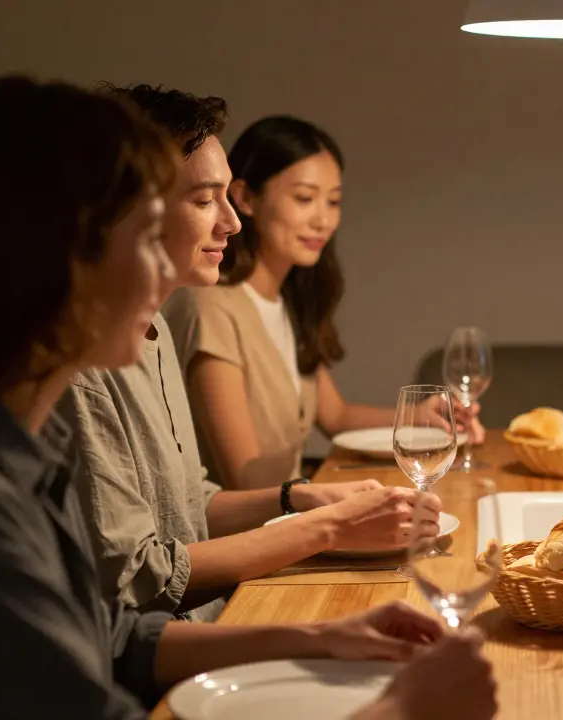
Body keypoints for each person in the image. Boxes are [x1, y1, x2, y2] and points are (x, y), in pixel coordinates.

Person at [0, 76, 495, 720]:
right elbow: (135, 594)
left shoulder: (37, 453)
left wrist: (321, 636)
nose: (226, 229)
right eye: (146, 232)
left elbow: (114, 638)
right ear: (57, 254)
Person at [55, 84, 439, 622]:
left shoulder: (156, 332)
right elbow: (140, 581)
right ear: (127, 210)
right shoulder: (78, 368)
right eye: (205, 199)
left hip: (213, 616)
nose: (232, 223)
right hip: (178, 647)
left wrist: (300, 498)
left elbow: (191, 504)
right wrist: (324, 527)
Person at [162, 115, 485, 490]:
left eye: (333, 202)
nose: (324, 220)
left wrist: (420, 416)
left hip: (292, 514)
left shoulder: (286, 300)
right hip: (253, 534)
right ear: (247, 198)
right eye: (304, 198)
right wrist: (335, 487)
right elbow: (245, 476)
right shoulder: (211, 307)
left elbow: (335, 415)